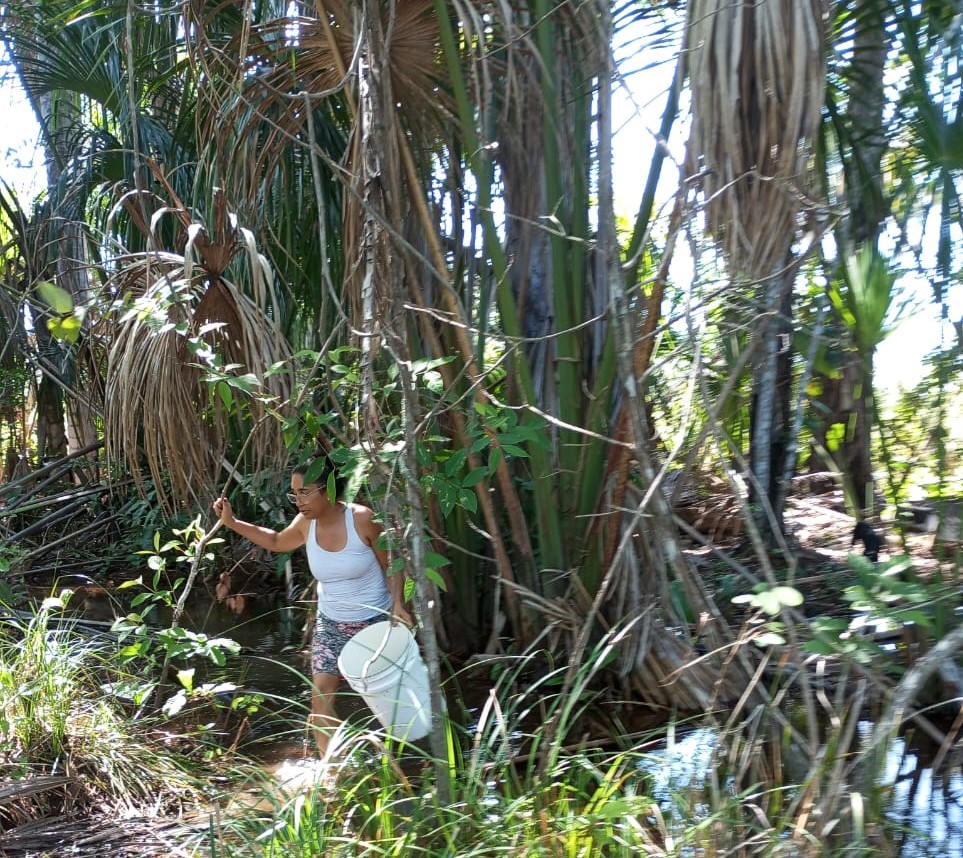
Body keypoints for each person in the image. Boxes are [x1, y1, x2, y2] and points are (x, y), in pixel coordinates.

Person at [213, 457, 413, 757]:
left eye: (305, 492)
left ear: (329, 488)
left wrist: (398, 604)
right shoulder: (306, 524)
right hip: (331, 623)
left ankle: (400, 766)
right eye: (294, 493)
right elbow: (278, 541)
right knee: (320, 697)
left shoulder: (363, 519)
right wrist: (231, 523)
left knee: (387, 701)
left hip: (375, 622)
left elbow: (394, 566)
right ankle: (330, 770)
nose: (298, 501)